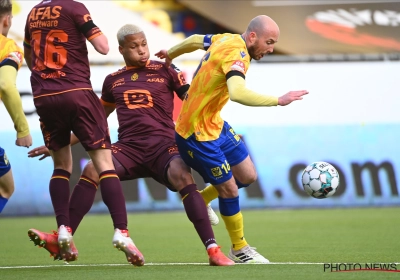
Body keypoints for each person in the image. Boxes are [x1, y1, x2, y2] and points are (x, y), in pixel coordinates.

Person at [27, 24, 234, 266]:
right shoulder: (112, 80)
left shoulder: (166, 69)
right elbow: (95, 121)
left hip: (163, 147)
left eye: (144, 44)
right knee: (92, 169)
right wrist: (58, 145)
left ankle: (213, 249)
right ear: (122, 49)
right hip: (128, 149)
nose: (142, 51)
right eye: (134, 47)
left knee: (182, 175)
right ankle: (63, 237)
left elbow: (191, 98)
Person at [155, 15, 309, 263]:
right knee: (228, 189)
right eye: (269, 42)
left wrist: (171, 53)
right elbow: (237, 92)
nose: (271, 48)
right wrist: (278, 100)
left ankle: (203, 199)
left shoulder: (225, 38)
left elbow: (196, 40)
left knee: (247, 176)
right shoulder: (237, 55)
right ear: (252, 37)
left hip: (214, 123)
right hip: (195, 133)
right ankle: (239, 248)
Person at [23, 0, 144, 266]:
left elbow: (29, 53)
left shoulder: (33, 13)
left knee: (62, 166)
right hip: (76, 91)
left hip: (44, 95)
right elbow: (103, 47)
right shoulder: (75, 8)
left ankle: (64, 229)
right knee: (104, 165)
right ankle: (121, 232)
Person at [0, 0, 32, 213]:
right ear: (7, 19)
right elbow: (5, 85)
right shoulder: (8, 47)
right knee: (5, 188)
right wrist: (23, 129)